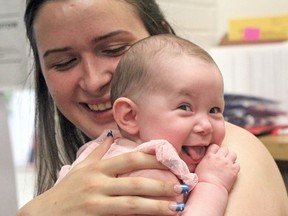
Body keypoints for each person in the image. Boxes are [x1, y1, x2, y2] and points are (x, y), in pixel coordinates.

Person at [18, 0, 288, 215]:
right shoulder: (91, 160)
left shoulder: (226, 157)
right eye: (64, 62)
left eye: (114, 48)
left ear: (162, 34)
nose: (93, 80)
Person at [55, 34, 240, 215]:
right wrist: (213, 183)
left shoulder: (101, 155)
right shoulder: (150, 174)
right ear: (131, 116)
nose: (206, 125)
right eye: (185, 107)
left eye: (215, 110)